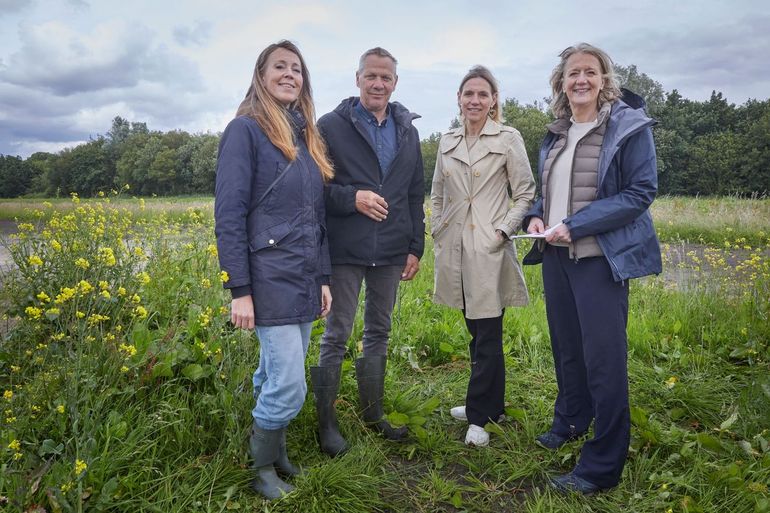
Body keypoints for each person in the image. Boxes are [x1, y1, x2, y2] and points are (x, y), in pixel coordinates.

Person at [522, 43, 662, 494]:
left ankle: (602, 465)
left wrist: (576, 224)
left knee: (604, 360)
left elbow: (640, 192)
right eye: (572, 73)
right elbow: (551, 191)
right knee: (568, 348)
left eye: (590, 72)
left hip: (600, 260)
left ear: (604, 80)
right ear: (561, 84)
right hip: (558, 256)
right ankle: (571, 419)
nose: (580, 80)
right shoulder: (558, 131)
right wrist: (537, 217)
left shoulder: (627, 127)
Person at [214, 40, 334, 500]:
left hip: (304, 275)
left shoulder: (305, 137)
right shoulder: (243, 131)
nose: (290, 74)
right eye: (279, 67)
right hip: (267, 278)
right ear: (261, 75)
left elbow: (316, 219)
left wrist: (323, 278)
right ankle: (260, 468)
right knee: (287, 381)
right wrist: (238, 289)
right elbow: (229, 214)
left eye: (297, 69)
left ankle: (277, 451)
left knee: (276, 372)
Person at [309, 47, 425, 457]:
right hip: (345, 249)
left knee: (380, 330)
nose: (378, 84)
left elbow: (414, 194)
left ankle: (373, 414)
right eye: (371, 76)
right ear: (357, 79)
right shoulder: (329, 126)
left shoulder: (408, 130)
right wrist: (352, 198)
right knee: (336, 333)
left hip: (392, 250)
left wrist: (416, 246)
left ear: (395, 83)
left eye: (386, 78)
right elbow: (315, 189)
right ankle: (326, 424)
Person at [430, 66, 536, 447]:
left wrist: (504, 229)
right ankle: (490, 403)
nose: (475, 100)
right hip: (455, 249)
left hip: (489, 248)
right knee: (475, 332)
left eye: (482, 94)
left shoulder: (509, 138)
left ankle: (480, 416)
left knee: (488, 333)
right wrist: (436, 228)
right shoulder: (447, 141)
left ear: (493, 101)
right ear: (458, 98)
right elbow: (438, 191)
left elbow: (525, 192)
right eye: (468, 93)